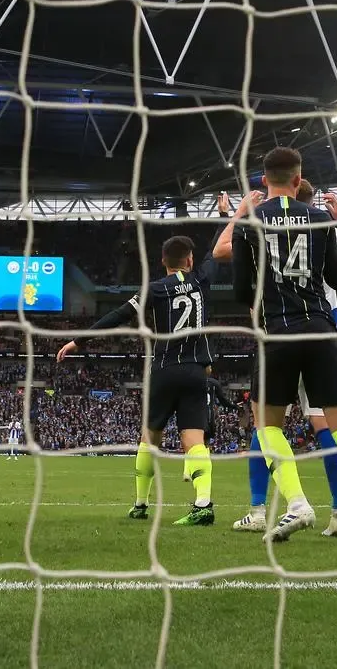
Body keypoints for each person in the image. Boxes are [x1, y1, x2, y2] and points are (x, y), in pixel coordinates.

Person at [225, 148, 337, 546]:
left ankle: (296, 503)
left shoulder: (249, 222)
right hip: (319, 329)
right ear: (299, 180)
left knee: (267, 425)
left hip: (276, 330)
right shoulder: (321, 219)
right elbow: (336, 276)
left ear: (264, 180)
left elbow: (241, 288)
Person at [56, 204, 230, 526]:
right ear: (189, 261)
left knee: (149, 439)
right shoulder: (202, 278)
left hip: (164, 369)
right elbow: (216, 249)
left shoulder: (154, 289)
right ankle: (203, 504)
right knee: (195, 442)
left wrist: (77, 341)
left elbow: (118, 316)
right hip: (196, 371)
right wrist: (228, 215)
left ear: (163, 261)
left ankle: (140, 504)